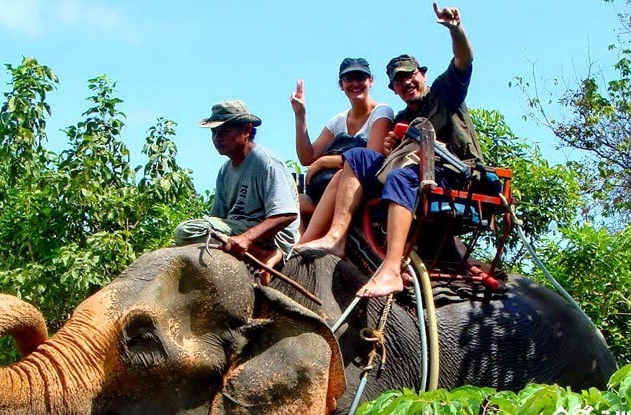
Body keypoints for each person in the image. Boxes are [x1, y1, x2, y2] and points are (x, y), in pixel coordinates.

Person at [295, 3, 484, 297]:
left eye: (410, 75)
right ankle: (335, 237)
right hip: (414, 175)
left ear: (422, 74)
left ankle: (392, 269)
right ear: (393, 89)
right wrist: (389, 147)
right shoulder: (400, 119)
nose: (407, 82)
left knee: (400, 178)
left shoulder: (443, 94)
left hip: (454, 174)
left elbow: (464, 59)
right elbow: (376, 156)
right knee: (357, 157)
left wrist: (455, 29)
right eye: (399, 80)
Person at [174, 100, 299, 276]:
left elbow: (287, 214)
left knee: (186, 231)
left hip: (268, 236)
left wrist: (246, 238)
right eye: (214, 133)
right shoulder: (225, 170)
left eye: (224, 132)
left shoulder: (266, 163)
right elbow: (217, 218)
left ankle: (263, 254)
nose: (217, 138)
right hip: (235, 228)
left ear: (246, 130)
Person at [290, 58, 393, 237]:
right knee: (293, 201)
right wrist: (300, 115)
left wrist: (323, 162)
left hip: (358, 187)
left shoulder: (382, 112)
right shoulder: (339, 120)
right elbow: (307, 157)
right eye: (349, 79)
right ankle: (297, 251)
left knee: (342, 173)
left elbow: (370, 158)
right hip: (322, 192)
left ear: (371, 81)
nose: (355, 83)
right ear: (341, 84)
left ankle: (311, 240)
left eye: (360, 77)